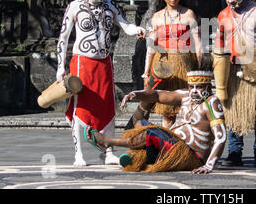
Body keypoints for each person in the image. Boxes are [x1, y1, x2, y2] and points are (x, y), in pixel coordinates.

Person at [56, 0, 146, 166]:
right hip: (81, 63)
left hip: (104, 63)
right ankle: (79, 154)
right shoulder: (75, 7)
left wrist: (138, 30)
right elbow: (63, 38)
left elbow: (125, 25)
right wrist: (60, 67)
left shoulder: (110, 6)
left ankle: (109, 152)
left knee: (108, 107)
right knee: (80, 107)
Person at [83, 63, 227, 174]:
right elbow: (157, 95)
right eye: (191, 86)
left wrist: (209, 165)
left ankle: (108, 142)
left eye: (200, 87)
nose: (194, 91)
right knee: (141, 123)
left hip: (191, 155)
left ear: (208, 86)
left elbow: (221, 136)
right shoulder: (185, 96)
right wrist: (136, 94)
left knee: (151, 133)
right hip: (171, 144)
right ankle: (139, 157)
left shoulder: (211, 103)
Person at [212, 0, 256, 167]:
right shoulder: (222, 15)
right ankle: (234, 152)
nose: (231, 1)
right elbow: (219, 44)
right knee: (234, 111)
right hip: (233, 69)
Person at [143, 0, 202, 128]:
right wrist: (146, 72)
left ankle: (183, 142)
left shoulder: (188, 14)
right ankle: (167, 143)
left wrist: (198, 68)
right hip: (164, 67)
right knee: (167, 110)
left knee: (185, 107)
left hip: (185, 64)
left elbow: (198, 44)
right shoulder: (156, 18)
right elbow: (151, 48)